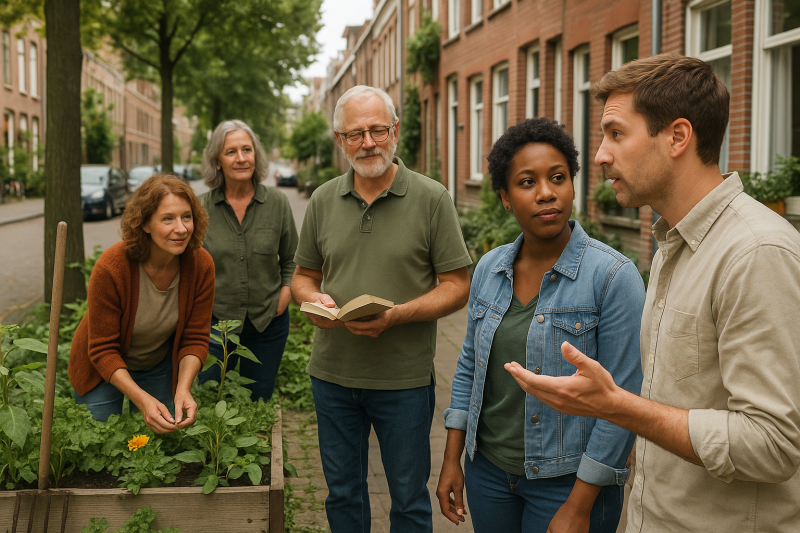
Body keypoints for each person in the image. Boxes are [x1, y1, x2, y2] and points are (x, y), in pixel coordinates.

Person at [506, 53, 800, 533]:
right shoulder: (671, 244)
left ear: (678, 137)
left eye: (616, 134)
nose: (600, 156)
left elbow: (774, 444)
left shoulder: (756, 253)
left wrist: (616, 406)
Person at [436, 117, 644, 532]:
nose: (546, 192)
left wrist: (579, 506)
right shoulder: (490, 268)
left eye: (558, 178)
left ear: (573, 186)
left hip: (569, 483)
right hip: (488, 474)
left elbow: (622, 402)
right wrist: (451, 459)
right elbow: (469, 367)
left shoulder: (612, 277)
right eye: (527, 182)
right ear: (505, 197)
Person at [291, 85, 472, 532]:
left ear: (395, 130)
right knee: (342, 494)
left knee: (408, 500)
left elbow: (457, 286)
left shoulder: (432, 198)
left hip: (403, 381)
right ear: (340, 140)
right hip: (332, 377)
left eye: (377, 130)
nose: (368, 143)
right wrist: (311, 299)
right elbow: (302, 276)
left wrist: (397, 315)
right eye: (356, 134)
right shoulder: (322, 199)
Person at [69, 175, 214, 433]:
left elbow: (195, 338)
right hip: (102, 365)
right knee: (99, 440)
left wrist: (183, 389)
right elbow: (103, 350)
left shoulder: (201, 265)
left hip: (155, 361)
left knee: (161, 437)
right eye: (167, 219)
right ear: (145, 223)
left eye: (187, 217)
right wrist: (142, 400)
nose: (181, 228)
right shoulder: (111, 268)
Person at [198, 120, 298, 402]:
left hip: (268, 323)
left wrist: (285, 295)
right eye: (230, 152)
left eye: (247, 150)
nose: (241, 158)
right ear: (217, 161)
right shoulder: (200, 208)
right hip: (215, 326)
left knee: (258, 401)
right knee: (210, 399)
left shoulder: (277, 203)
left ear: (256, 155)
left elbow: (292, 259)